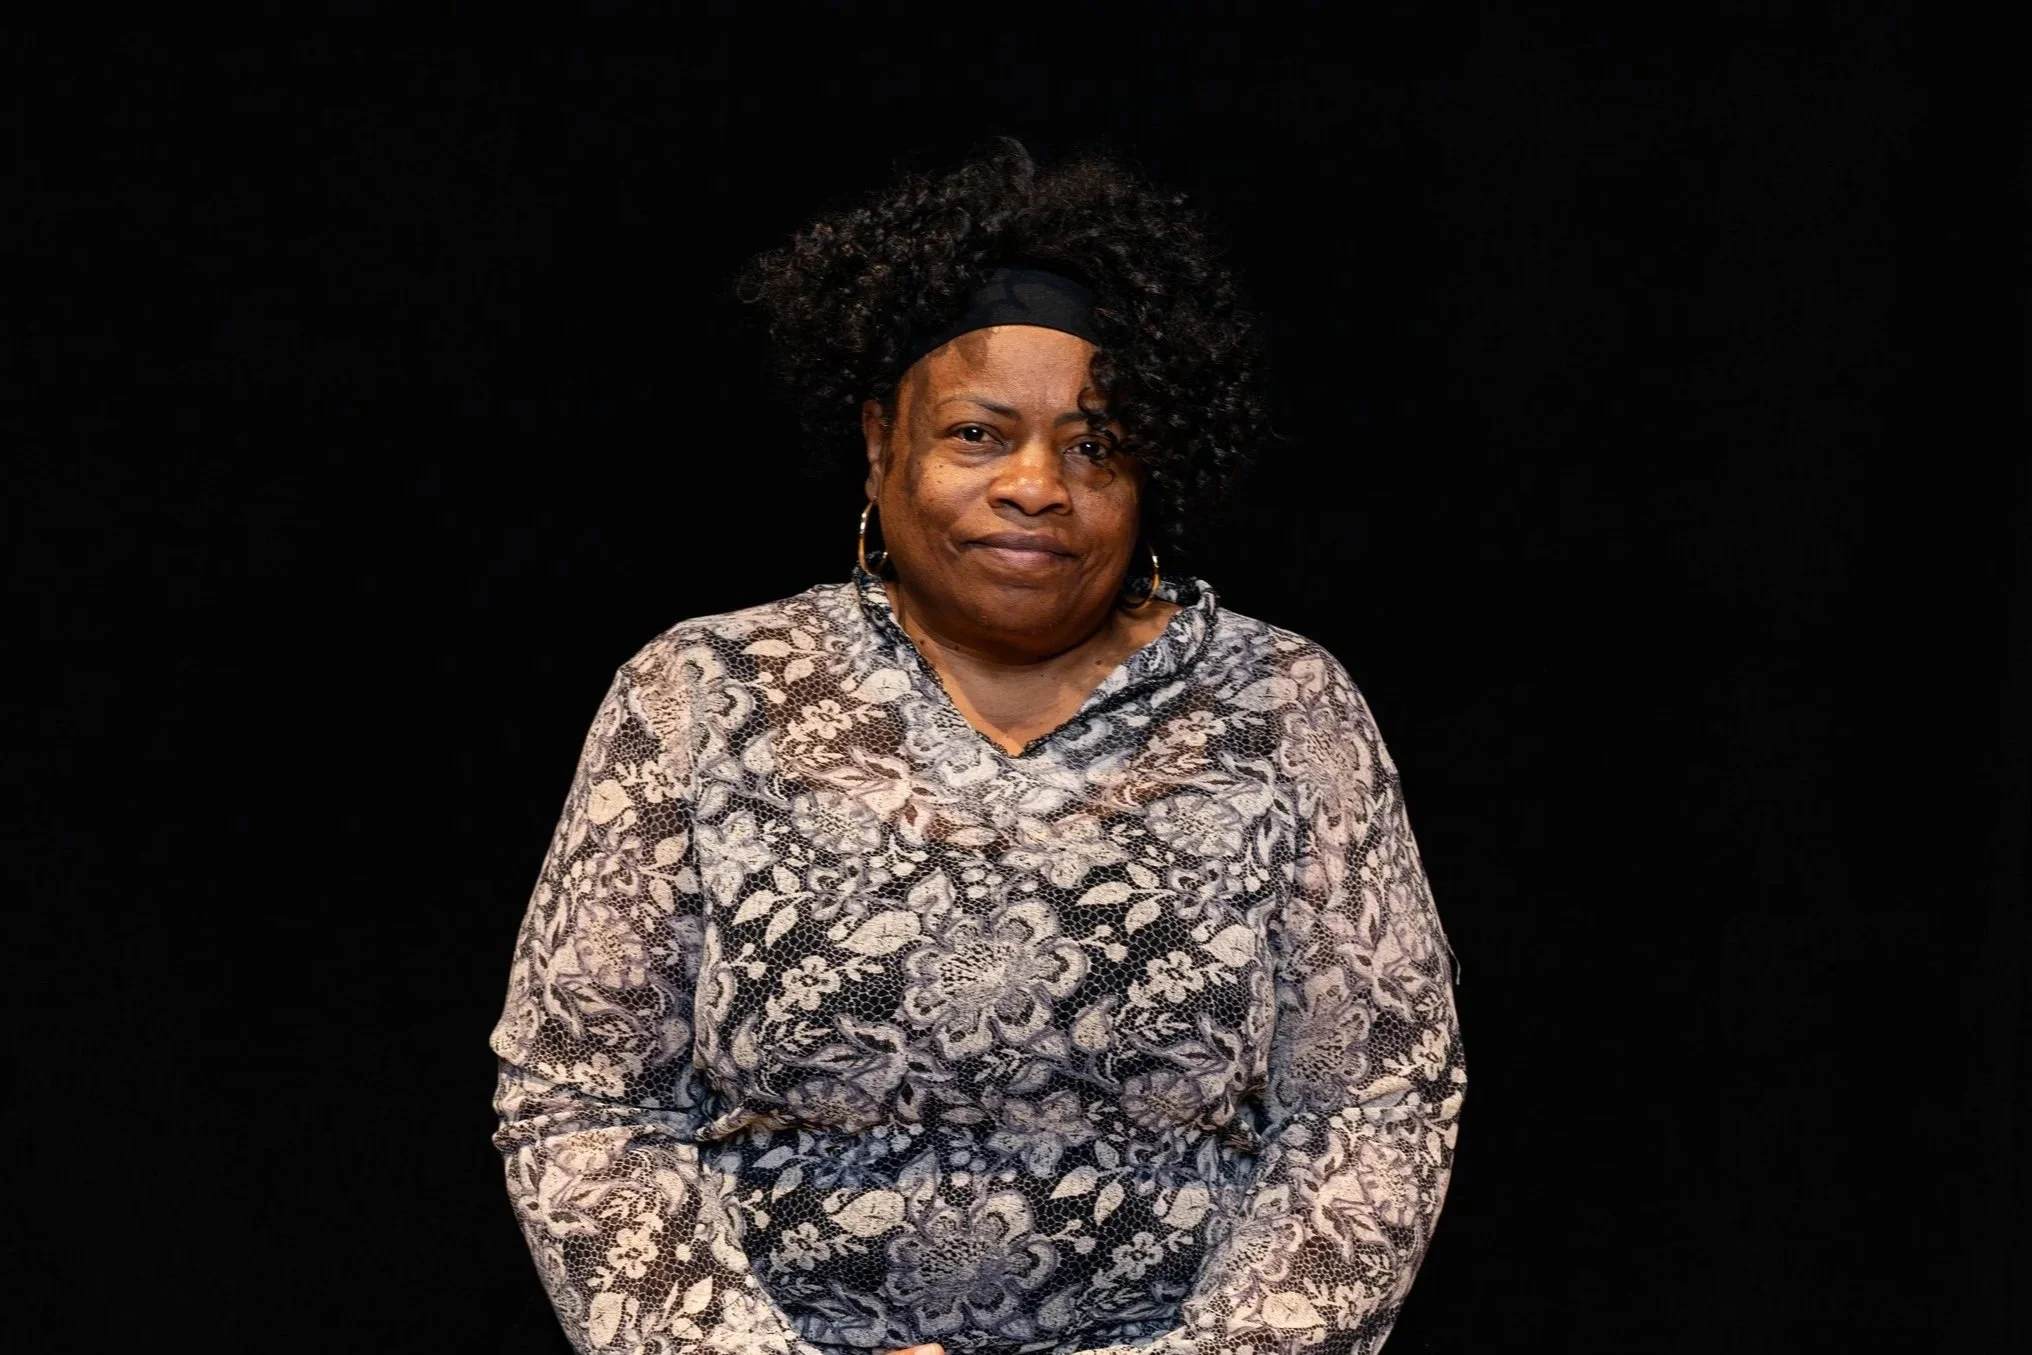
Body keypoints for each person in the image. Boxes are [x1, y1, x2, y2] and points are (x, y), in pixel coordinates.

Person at [488, 140, 1466, 1355]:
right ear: (877, 440)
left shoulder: (1282, 705)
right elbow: (581, 1098)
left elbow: (1371, 1109)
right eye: (976, 434)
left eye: (1096, 444)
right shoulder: (701, 692)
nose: (1037, 484)